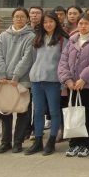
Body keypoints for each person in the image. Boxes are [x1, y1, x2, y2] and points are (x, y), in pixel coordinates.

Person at [58, 12, 89, 157]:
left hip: (87, 86)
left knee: (88, 115)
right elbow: (63, 61)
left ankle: (87, 144)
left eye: (86, 23)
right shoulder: (71, 41)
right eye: (80, 23)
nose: (83, 26)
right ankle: (74, 143)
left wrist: (83, 79)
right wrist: (67, 79)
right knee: (73, 115)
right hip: (72, 86)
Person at [0, 7, 35, 154]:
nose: (19, 19)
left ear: (27, 19)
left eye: (22, 16)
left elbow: (27, 59)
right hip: (4, 80)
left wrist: (16, 76)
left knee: (22, 111)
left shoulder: (31, 36)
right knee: (4, 112)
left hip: (22, 80)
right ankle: (5, 142)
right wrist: (2, 74)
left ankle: (18, 142)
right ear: (13, 18)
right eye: (17, 16)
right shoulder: (3, 36)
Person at [25, 11, 69, 156]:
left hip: (53, 81)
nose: (48, 24)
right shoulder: (38, 39)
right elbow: (32, 59)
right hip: (36, 80)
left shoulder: (63, 40)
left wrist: (63, 85)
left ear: (56, 22)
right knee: (38, 111)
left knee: (54, 111)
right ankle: (38, 141)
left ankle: (51, 141)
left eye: (51, 21)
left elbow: (65, 63)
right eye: (45, 22)